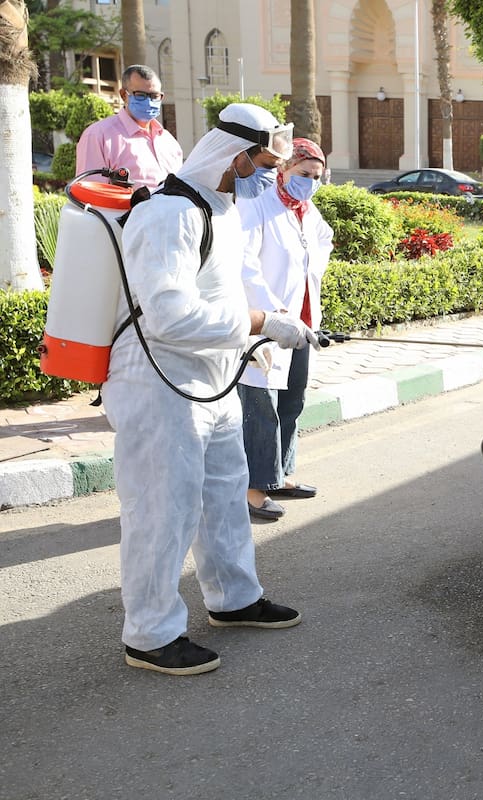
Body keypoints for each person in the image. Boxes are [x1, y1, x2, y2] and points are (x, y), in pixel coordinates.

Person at [106, 103, 320, 676]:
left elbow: (220, 297)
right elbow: (169, 319)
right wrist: (259, 323)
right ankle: (149, 635)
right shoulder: (169, 214)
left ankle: (233, 598)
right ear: (233, 156)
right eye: (263, 163)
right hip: (158, 379)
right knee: (163, 506)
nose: (269, 175)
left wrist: (267, 321)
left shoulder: (219, 210)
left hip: (211, 376)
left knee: (225, 493)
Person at [238, 138, 334, 521]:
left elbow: (322, 245)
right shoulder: (259, 205)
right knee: (262, 406)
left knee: (292, 399)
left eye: (316, 176)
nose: (309, 182)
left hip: (303, 322)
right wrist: (274, 310)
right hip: (265, 323)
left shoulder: (308, 212)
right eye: (303, 174)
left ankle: (280, 474)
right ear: (283, 169)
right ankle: (253, 488)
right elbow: (245, 265)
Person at [75, 64, 183, 191]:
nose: (148, 102)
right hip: (125, 211)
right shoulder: (99, 135)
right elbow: (91, 193)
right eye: (140, 95)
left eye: (154, 96)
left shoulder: (168, 141)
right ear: (123, 95)